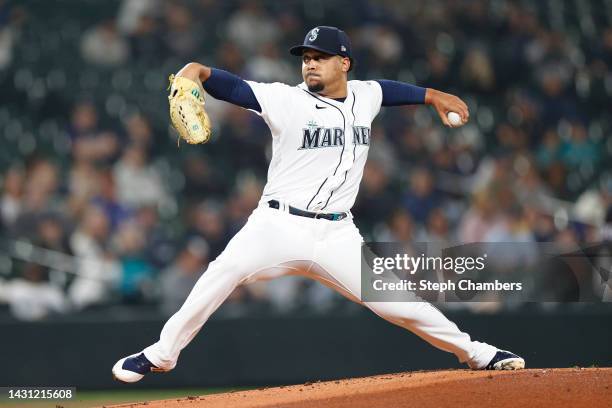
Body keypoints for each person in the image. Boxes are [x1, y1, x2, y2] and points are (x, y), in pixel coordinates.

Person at [112, 26, 525, 383]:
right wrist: (195, 72)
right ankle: (162, 353)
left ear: (344, 63)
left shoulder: (366, 95)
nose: (310, 64)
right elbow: (233, 87)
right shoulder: (286, 100)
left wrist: (434, 96)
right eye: (306, 58)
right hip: (277, 226)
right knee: (223, 271)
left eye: (320, 58)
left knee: (399, 303)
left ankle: (478, 354)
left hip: (336, 234)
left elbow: (393, 92)